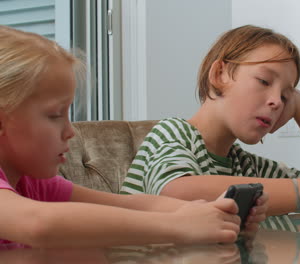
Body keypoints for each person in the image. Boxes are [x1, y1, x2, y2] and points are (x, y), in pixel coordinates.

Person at [0, 25, 268, 248]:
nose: (70, 131)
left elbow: (129, 204)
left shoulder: (34, 184)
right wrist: (177, 226)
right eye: (55, 115)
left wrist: (209, 212)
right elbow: (38, 224)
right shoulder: (29, 202)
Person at [120, 25, 300, 216]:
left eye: (286, 95)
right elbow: (178, 191)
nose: (277, 101)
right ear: (220, 75)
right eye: (264, 80)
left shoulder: (245, 165)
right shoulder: (172, 133)